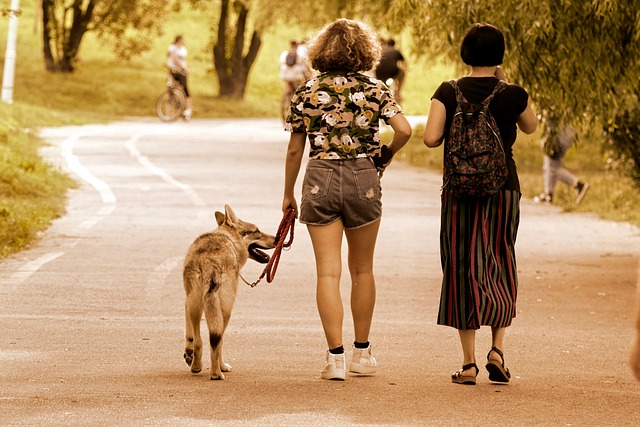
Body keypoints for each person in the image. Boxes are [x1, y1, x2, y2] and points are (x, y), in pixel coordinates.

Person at [282, 18, 412, 381]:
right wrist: (384, 156)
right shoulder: (375, 89)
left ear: (321, 50)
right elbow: (404, 129)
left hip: (319, 176)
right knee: (363, 269)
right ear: (364, 51)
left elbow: (295, 150)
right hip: (363, 177)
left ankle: (335, 358)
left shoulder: (307, 90)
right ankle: (363, 353)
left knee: (327, 271)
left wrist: (288, 194)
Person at [423, 23, 537, 385]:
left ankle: (469, 364)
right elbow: (532, 127)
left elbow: (430, 139)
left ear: (464, 53)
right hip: (502, 190)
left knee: (460, 267)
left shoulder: (447, 91)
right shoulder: (514, 93)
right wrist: (507, 84)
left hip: (458, 192)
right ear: (500, 55)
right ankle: (497, 351)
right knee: (500, 260)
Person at [533, 120, 589, 204]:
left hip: (558, 139)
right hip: (565, 137)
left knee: (553, 169)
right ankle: (548, 194)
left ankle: (578, 184)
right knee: (549, 165)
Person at [167, 35, 192, 119]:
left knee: (185, 89)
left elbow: (182, 60)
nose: (184, 41)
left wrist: (183, 68)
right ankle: (169, 113)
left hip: (181, 72)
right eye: (182, 40)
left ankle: (187, 109)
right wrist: (182, 67)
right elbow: (173, 58)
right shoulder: (172, 47)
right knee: (171, 91)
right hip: (174, 71)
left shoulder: (183, 49)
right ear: (179, 40)